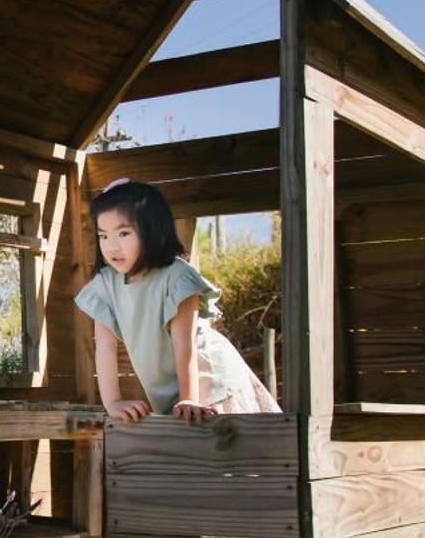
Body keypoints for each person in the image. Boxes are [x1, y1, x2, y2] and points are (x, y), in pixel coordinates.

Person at [75, 178, 280, 424]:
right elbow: (105, 347)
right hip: (172, 394)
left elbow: (184, 342)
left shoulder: (177, 276)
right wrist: (113, 403)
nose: (112, 246)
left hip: (211, 382)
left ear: (152, 230)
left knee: (233, 452)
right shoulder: (105, 284)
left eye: (124, 233)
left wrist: (189, 398)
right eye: (103, 236)